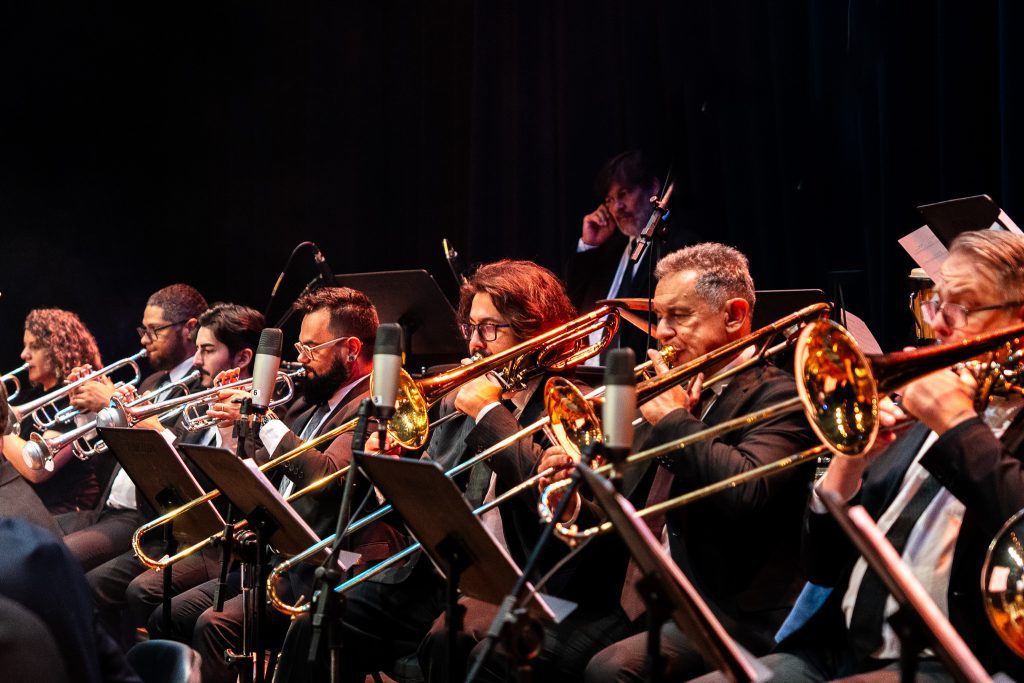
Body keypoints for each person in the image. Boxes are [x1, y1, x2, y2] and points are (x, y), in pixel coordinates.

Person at [441, 243, 817, 682]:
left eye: (679, 317)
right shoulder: (668, 391)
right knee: (493, 654)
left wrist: (673, 421)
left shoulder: (781, 395)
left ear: (734, 316)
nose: (661, 333)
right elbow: (621, 510)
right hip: (649, 595)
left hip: (733, 611)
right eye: (659, 317)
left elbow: (745, 490)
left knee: (610, 672)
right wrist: (572, 498)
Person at [690, 229, 1024, 681]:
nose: (939, 327)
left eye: (962, 307)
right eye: (935, 304)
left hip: (949, 663)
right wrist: (849, 464)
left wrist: (957, 424)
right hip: (835, 648)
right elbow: (822, 565)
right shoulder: (929, 411)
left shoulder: (951, 415)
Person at [274, 259, 581, 682]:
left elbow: (551, 504)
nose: (474, 343)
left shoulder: (566, 403)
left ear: (533, 329)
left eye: (489, 329)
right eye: (471, 327)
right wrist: (391, 475)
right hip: (438, 575)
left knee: (448, 638)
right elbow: (428, 507)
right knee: (319, 619)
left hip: (521, 583)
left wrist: (489, 413)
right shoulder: (459, 399)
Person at [149, 286, 406, 683]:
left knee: (213, 625)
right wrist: (231, 429)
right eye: (300, 348)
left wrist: (264, 419)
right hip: (278, 556)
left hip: (330, 561)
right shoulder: (310, 403)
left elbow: (325, 477)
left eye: (311, 348)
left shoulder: (373, 406)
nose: (301, 360)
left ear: (351, 349)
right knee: (168, 614)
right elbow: (266, 474)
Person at [89, 302, 264, 650]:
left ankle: (171, 665)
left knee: (143, 593)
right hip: (179, 531)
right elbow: (173, 474)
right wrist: (132, 424)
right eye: (197, 349)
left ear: (243, 358)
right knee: (126, 590)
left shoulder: (267, 412)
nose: (196, 361)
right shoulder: (199, 400)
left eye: (207, 350)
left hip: (225, 545)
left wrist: (157, 431)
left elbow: (229, 485)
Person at [59, 284, 209, 571]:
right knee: (34, 537)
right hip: (108, 507)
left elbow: (174, 459)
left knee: (59, 558)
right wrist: (89, 411)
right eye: (143, 330)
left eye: (155, 331)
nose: (144, 340)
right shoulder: (152, 382)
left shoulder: (200, 387)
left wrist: (112, 404)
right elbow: (112, 451)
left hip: (145, 518)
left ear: (190, 328)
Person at [565, 150, 699, 361]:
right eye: (609, 200)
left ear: (652, 188)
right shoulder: (609, 251)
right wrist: (589, 245)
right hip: (585, 372)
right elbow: (570, 304)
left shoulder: (680, 247)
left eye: (623, 194)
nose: (617, 207)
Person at [1, 308, 104, 515]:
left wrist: (1, 425)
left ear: (59, 350)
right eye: (25, 346)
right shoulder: (27, 397)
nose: (24, 355)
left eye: (34, 346)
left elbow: (36, 468)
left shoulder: (78, 399)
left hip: (61, 513)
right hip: (19, 503)